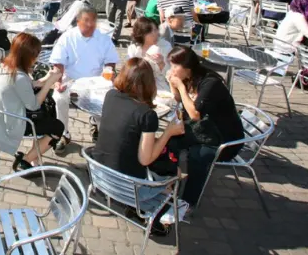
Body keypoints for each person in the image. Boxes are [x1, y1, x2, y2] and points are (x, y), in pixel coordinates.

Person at [166, 46, 244, 207]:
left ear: (187, 67)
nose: (172, 70)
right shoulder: (189, 78)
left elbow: (195, 114)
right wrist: (173, 85)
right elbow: (180, 100)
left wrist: (180, 86)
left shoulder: (210, 83)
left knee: (196, 155)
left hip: (224, 139)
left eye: (174, 66)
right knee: (169, 141)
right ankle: (168, 184)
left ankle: (188, 202)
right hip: (203, 130)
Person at [93, 57, 183, 186]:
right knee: (176, 171)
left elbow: (127, 133)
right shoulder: (147, 114)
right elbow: (145, 160)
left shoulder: (110, 96)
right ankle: (168, 200)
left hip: (99, 172)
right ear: (149, 83)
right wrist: (168, 133)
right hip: (126, 184)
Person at [0, 33, 64, 171]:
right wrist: (49, 85)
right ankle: (26, 160)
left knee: (48, 114)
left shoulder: (3, 66)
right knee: (57, 126)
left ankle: (35, 155)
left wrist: (48, 77)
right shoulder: (19, 77)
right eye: (35, 56)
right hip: (14, 122)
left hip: (2, 115)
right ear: (27, 56)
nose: (37, 59)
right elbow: (34, 105)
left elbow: (31, 84)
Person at [49, 5, 120, 151]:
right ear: (78, 20)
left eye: (93, 20)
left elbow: (110, 62)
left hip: (96, 82)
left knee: (106, 101)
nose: (90, 24)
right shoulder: (68, 37)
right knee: (58, 97)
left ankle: (101, 134)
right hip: (71, 81)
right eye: (86, 20)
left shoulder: (103, 38)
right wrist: (58, 82)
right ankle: (64, 133)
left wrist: (110, 72)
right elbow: (58, 62)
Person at [128, 18, 172, 90]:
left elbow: (171, 75)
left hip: (158, 86)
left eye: (156, 29)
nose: (157, 33)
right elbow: (129, 71)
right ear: (142, 34)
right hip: (137, 85)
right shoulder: (134, 49)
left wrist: (161, 63)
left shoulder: (165, 46)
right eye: (152, 31)